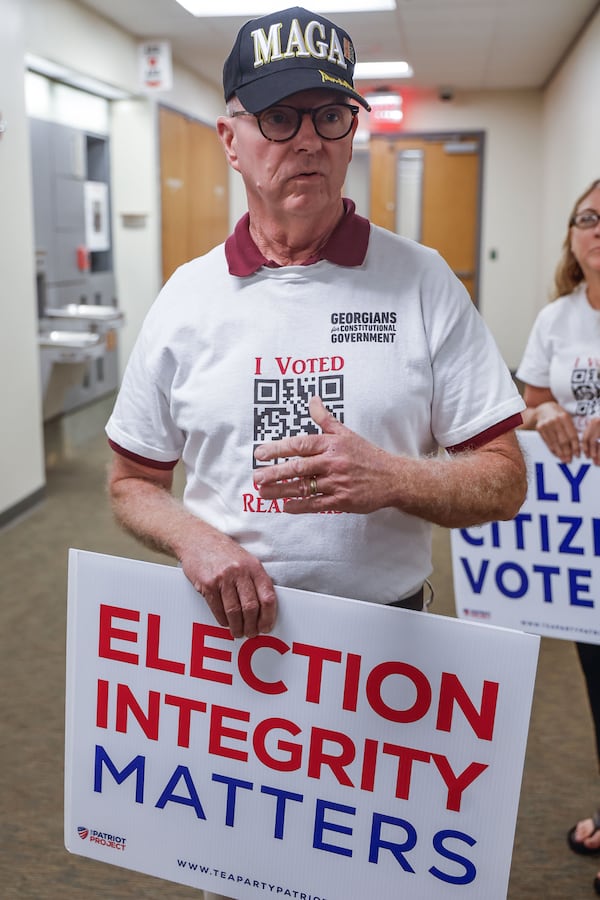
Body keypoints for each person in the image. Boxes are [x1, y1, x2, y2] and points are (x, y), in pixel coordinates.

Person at [105, 9, 526, 896]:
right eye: (278, 116)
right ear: (230, 137)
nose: (306, 140)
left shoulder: (423, 282)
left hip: (386, 656)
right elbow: (131, 483)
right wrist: (197, 540)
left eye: (329, 116)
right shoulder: (187, 299)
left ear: (352, 132)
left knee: (375, 876)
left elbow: (504, 480)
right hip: (231, 652)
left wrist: (393, 478)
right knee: (240, 870)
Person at [515, 178, 600, 895]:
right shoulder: (556, 320)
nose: (599, 228)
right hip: (580, 542)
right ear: (573, 237)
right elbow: (533, 401)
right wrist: (543, 418)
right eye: (589, 218)